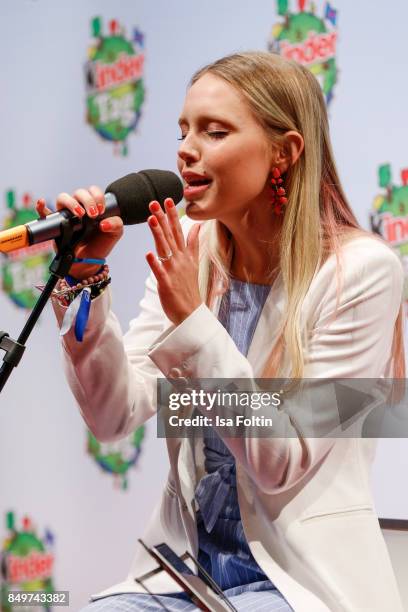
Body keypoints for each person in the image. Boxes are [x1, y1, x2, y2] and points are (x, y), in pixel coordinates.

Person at [37, 51, 405, 611]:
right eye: (183, 130)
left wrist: (193, 322)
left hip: (299, 584)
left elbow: (279, 460)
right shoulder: (193, 247)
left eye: (215, 132)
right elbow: (115, 415)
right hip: (188, 576)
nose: (186, 149)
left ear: (285, 151)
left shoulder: (362, 273)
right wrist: (85, 278)